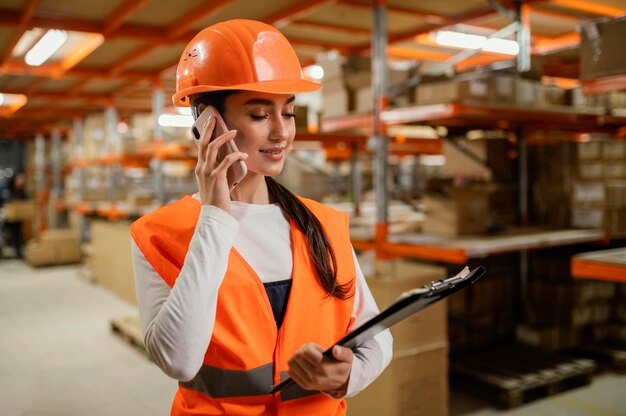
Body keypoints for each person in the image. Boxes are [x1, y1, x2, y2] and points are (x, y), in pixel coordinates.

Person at [130, 19, 392, 415]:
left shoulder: (322, 224)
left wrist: (348, 375)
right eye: (258, 115)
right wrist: (216, 215)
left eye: (287, 113)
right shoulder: (158, 235)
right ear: (207, 122)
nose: (281, 133)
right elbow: (177, 359)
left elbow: (376, 335)